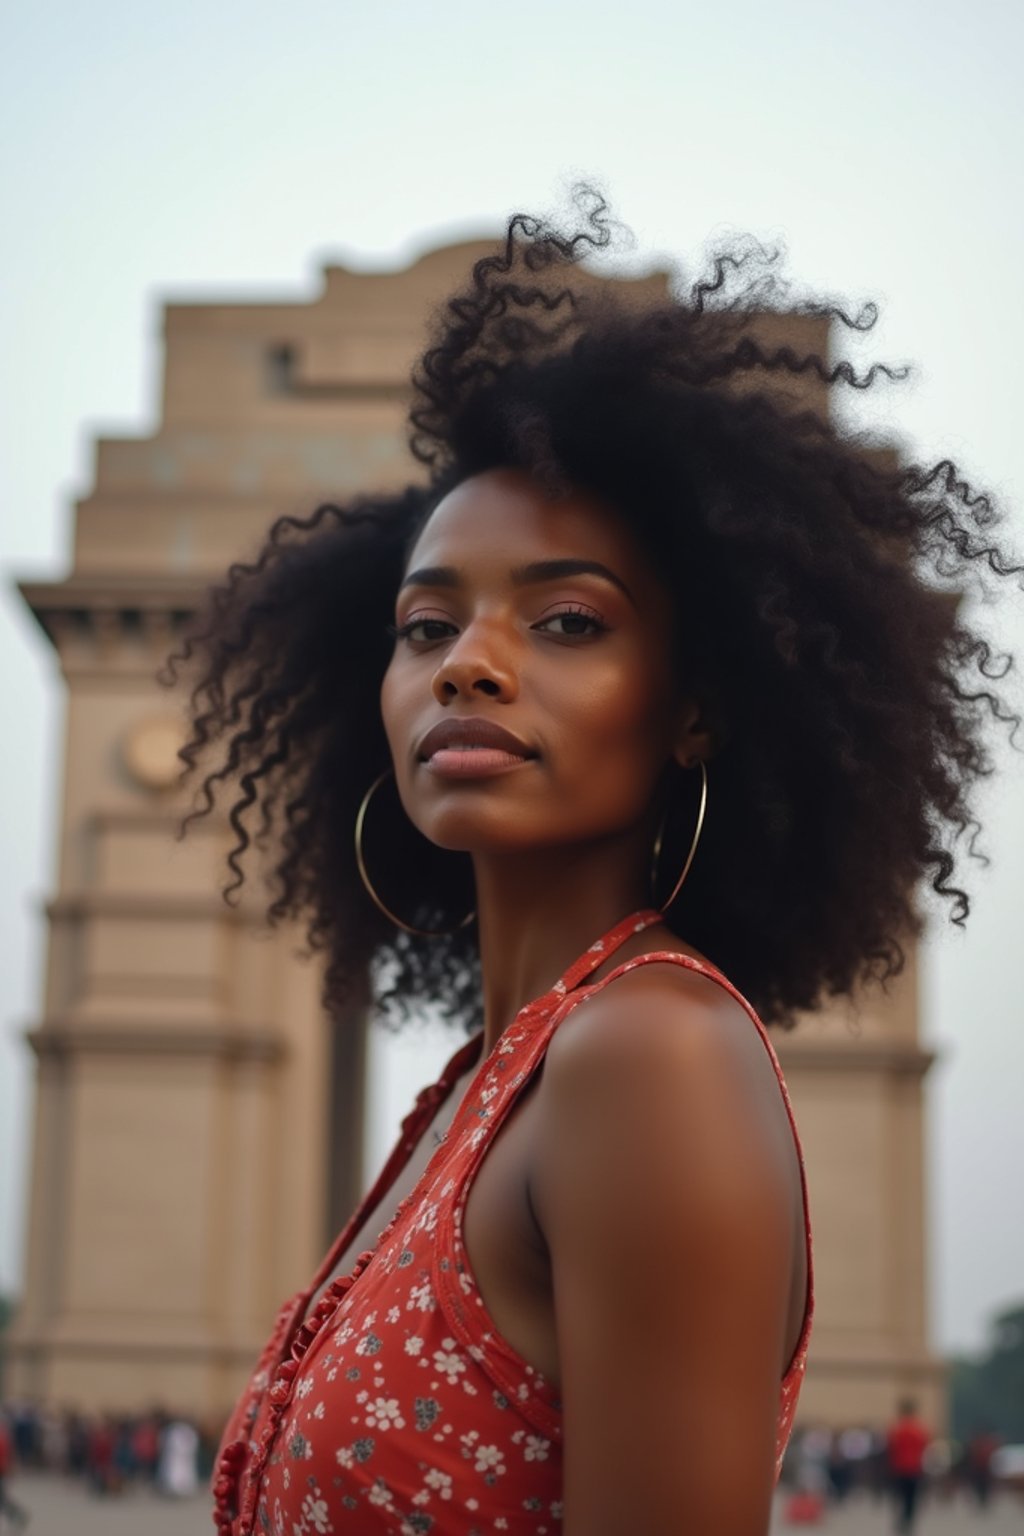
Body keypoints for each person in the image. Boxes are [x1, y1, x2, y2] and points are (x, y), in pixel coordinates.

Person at [168, 192, 1021, 1535]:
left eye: (566, 619)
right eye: (424, 623)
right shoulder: (486, 1087)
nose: (470, 660)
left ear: (698, 701)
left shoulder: (651, 1058)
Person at [886, 1399, 931, 1533]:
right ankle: (908, 1520)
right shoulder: (919, 1429)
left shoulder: (897, 1429)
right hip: (914, 1468)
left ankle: (900, 1520)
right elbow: (924, 1447)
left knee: (898, 1496)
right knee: (911, 1498)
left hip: (898, 1468)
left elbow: (891, 1448)